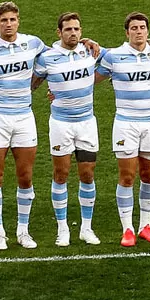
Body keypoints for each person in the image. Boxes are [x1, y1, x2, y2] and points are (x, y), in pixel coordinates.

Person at [0, 2, 46, 250]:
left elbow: (57, 56)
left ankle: (23, 231)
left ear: (18, 21)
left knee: (25, 176)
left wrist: (33, 86)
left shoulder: (33, 43)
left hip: (25, 117)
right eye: (4, 20)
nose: (9, 24)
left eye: (12, 19)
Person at [96, 13, 150, 246]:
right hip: (125, 123)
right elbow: (88, 79)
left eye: (143, 28)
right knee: (127, 176)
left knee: (149, 175)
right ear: (126, 32)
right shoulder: (114, 57)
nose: (139, 31)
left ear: (148, 31)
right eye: (134, 28)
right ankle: (127, 228)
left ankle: (145, 225)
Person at [33, 13, 103, 247]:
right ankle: (62, 229)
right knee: (61, 174)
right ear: (59, 33)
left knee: (87, 174)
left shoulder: (91, 51)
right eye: (68, 29)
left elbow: (122, 57)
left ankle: (86, 228)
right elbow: (31, 83)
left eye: (77, 29)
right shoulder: (47, 58)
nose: (73, 33)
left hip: (87, 123)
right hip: (61, 124)